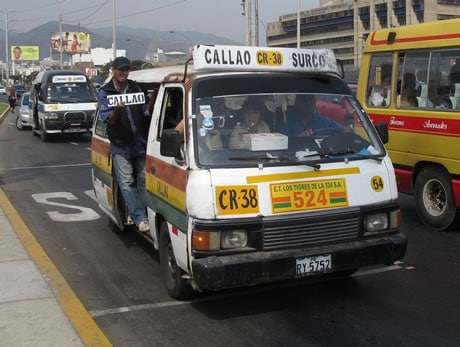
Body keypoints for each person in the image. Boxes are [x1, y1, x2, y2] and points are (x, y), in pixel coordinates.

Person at [97, 56, 154, 233]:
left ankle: (143, 213)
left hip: (138, 142)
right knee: (127, 182)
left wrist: (153, 101)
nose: (124, 73)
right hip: (120, 145)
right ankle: (139, 217)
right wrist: (118, 110)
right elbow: (109, 120)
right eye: (120, 69)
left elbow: (144, 110)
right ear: (113, 70)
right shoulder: (105, 92)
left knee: (144, 179)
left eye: (126, 69)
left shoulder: (135, 87)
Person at [278, 94, 343, 137]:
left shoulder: (326, 122)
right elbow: (283, 144)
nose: (308, 103)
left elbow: (343, 131)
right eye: (304, 100)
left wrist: (348, 130)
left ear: (315, 102)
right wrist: (297, 139)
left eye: (311, 100)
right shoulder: (289, 125)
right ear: (297, 103)